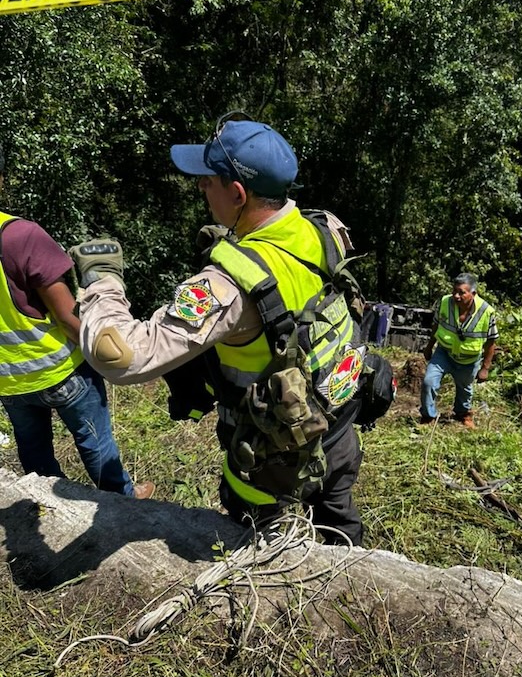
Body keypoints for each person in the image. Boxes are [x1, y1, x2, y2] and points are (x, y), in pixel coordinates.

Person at [73, 115, 366, 545]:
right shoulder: (324, 229)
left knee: (264, 550)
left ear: (238, 193)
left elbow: (121, 355)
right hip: (337, 430)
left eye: (207, 180)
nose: (200, 188)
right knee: (340, 525)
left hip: (268, 464)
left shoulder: (229, 285)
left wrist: (102, 282)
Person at [0, 144, 152, 498]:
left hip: (9, 382)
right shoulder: (20, 236)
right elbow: (68, 316)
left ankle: (49, 511)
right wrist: (106, 354)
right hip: (62, 369)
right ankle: (123, 502)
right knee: (95, 444)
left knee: (36, 458)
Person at [420, 273, 498, 428]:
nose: (456, 296)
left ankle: (463, 415)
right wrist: (429, 347)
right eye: (454, 291)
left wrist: (485, 368)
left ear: (473, 294)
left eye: (462, 292)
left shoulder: (486, 311)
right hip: (444, 352)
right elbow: (435, 325)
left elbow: (491, 342)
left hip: (469, 360)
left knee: (465, 390)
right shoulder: (444, 302)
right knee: (429, 382)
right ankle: (428, 416)